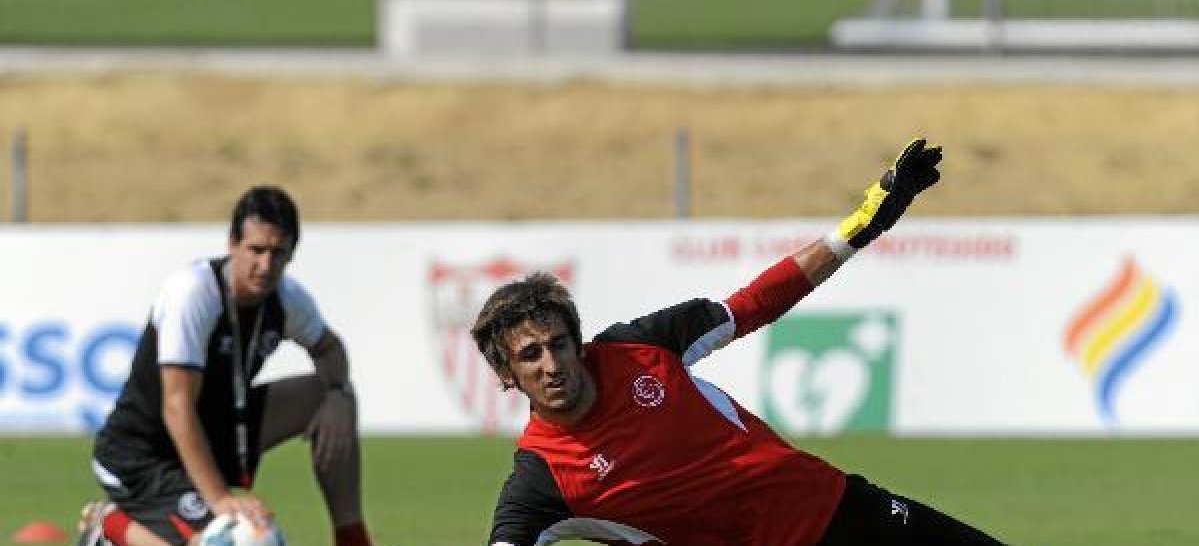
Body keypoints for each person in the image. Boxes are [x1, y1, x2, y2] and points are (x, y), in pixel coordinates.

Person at [472, 139, 1010, 546]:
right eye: (530, 355)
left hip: (837, 511)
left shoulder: (641, 348)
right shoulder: (540, 482)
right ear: (506, 375)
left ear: (577, 342)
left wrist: (859, 228)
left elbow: (755, 302)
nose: (551, 364)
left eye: (558, 344)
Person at [77, 186, 374, 546]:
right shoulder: (193, 293)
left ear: (292, 254)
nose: (265, 265)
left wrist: (340, 394)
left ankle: (352, 538)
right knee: (233, 540)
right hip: (141, 456)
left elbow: (330, 349)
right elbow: (176, 406)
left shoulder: (286, 299)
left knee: (324, 394)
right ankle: (109, 526)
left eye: (278, 253)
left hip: (217, 433)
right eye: (256, 250)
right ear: (233, 243)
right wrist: (220, 500)